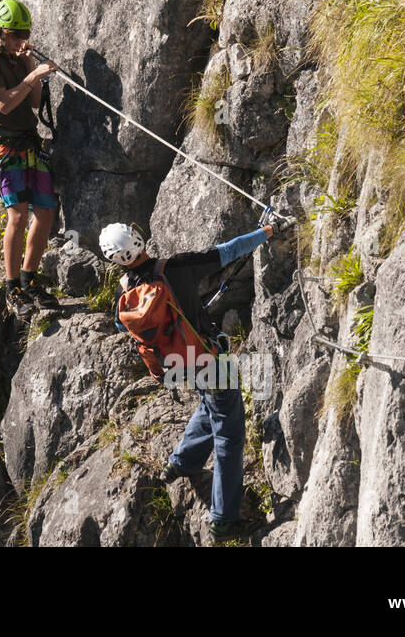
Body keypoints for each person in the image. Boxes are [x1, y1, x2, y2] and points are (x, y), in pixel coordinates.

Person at [98, 220, 276, 541]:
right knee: (230, 436)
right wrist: (266, 232)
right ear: (138, 238)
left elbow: (123, 326)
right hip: (206, 357)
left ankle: (181, 462)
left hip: (175, 365)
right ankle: (224, 519)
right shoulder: (176, 268)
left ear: (115, 259)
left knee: (211, 405)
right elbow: (229, 251)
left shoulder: (126, 289)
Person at [0, 0, 60, 317]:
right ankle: (13, 289)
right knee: (19, 215)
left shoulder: (16, 56)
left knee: (46, 211)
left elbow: (34, 103)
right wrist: (33, 76)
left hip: (28, 142)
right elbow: (4, 105)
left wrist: (29, 64)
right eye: (16, 34)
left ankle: (29, 280)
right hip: (3, 147)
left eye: (25, 33)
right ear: (0, 31)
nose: (22, 39)